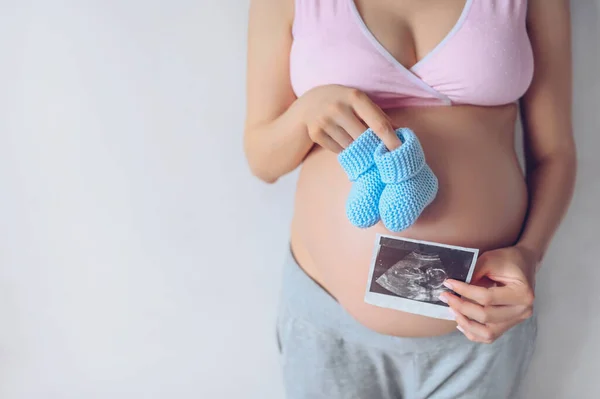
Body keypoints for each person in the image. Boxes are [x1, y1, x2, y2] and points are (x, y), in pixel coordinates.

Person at [243, 0, 576, 398]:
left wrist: (530, 254)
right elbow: (262, 161)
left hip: (481, 325)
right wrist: (305, 115)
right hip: (330, 325)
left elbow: (555, 154)